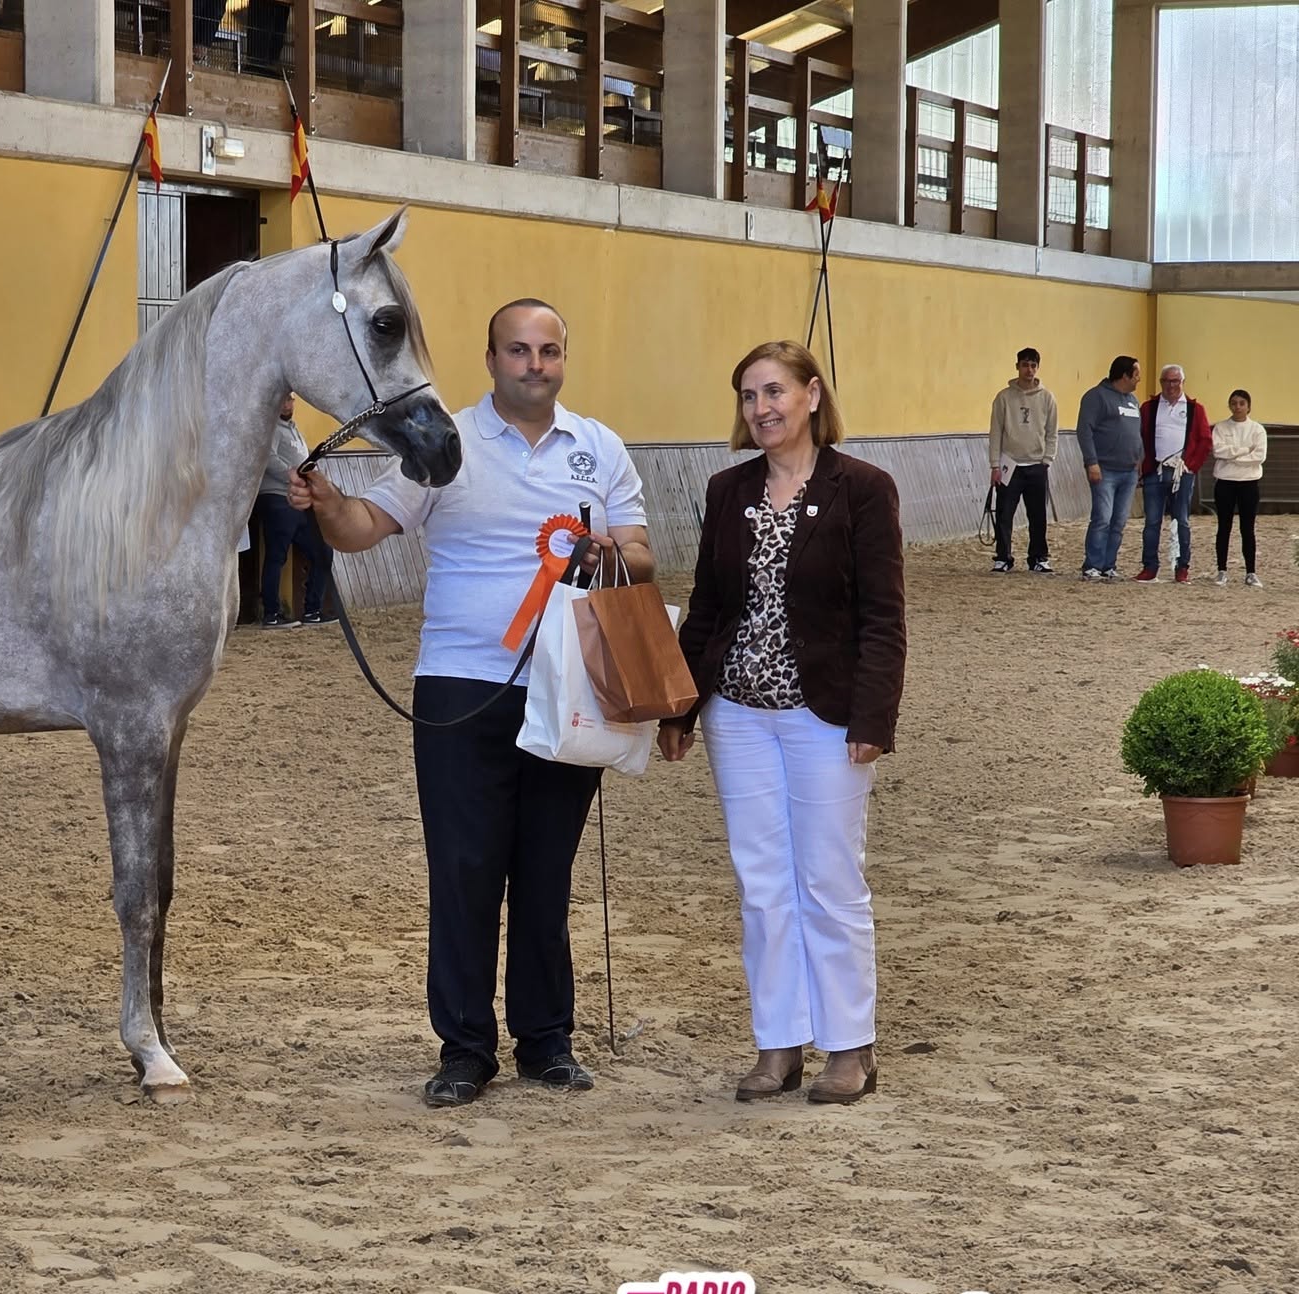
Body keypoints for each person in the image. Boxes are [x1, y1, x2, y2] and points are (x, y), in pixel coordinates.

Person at [288, 298, 654, 1107]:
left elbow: (641, 552)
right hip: (460, 685)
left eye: (548, 351)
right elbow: (364, 526)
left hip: (568, 688)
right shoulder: (443, 441)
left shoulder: (599, 447)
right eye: (518, 350)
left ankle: (546, 1041)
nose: (535, 364)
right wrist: (328, 504)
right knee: (464, 870)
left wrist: (610, 550)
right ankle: (464, 1048)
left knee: (546, 872)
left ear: (564, 359)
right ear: (490, 359)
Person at [659, 340, 905, 1108]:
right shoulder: (727, 490)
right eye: (748, 395)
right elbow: (707, 607)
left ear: (811, 394)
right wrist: (679, 708)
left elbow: (884, 616)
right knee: (762, 884)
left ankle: (850, 1047)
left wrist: (874, 715)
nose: (761, 408)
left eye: (774, 391)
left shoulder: (863, 489)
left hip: (825, 717)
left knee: (829, 880)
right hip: (736, 716)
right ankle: (778, 1044)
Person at [254, 392, 329, 628]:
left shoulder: (295, 430)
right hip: (277, 497)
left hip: (298, 500)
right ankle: (271, 614)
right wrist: (292, 473)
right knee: (277, 556)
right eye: (283, 400)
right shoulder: (271, 428)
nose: (287, 404)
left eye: (290, 400)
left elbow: (304, 460)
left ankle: (312, 611)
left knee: (322, 552)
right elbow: (267, 458)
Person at [1135, 365, 1212, 583]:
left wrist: (1191, 465)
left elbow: (1205, 440)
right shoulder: (1149, 407)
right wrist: (1142, 464)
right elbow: (1140, 436)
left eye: (1175, 381)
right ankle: (1149, 567)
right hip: (1155, 471)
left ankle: (1182, 567)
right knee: (1152, 521)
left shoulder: (1195, 409)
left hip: (1182, 473)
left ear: (1182, 382)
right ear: (1161, 382)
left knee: (1181, 521)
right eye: (1166, 381)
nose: (1171, 385)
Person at [986, 347, 1057, 573]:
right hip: (1010, 463)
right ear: (1017, 366)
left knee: (1038, 516)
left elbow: (1052, 432)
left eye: (1033, 365)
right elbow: (996, 432)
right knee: (1004, 513)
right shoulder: (1004, 398)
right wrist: (995, 465)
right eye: (1025, 365)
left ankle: (1038, 558)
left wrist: (1047, 460)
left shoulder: (1047, 398)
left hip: (1036, 464)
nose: (1029, 370)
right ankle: (1003, 557)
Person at [1077, 355, 1143, 581]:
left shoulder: (1133, 401)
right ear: (1124, 375)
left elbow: (1136, 433)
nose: (1139, 379)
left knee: (1119, 521)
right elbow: (1085, 431)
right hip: (1105, 469)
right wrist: (1091, 462)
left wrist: (1140, 458)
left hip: (1129, 471)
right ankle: (1092, 565)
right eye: (1136, 375)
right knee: (1102, 518)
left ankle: (1108, 564)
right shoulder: (1096, 397)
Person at [1211, 388, 1269, 588]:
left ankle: (1251, 572)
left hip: (1249, 483)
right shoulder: (1220, 428)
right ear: (1229, 405)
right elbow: (1218, 450)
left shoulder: (1257, 430)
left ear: (1248, 407)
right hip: (1225, 482)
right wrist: (1244, 451)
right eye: (1234, 403)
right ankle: (1222, 570)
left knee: (1247, 528)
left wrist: (1233, 457)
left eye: (1242, 403)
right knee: (1224, 526)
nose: (1238, 407)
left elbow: (1259, 456)